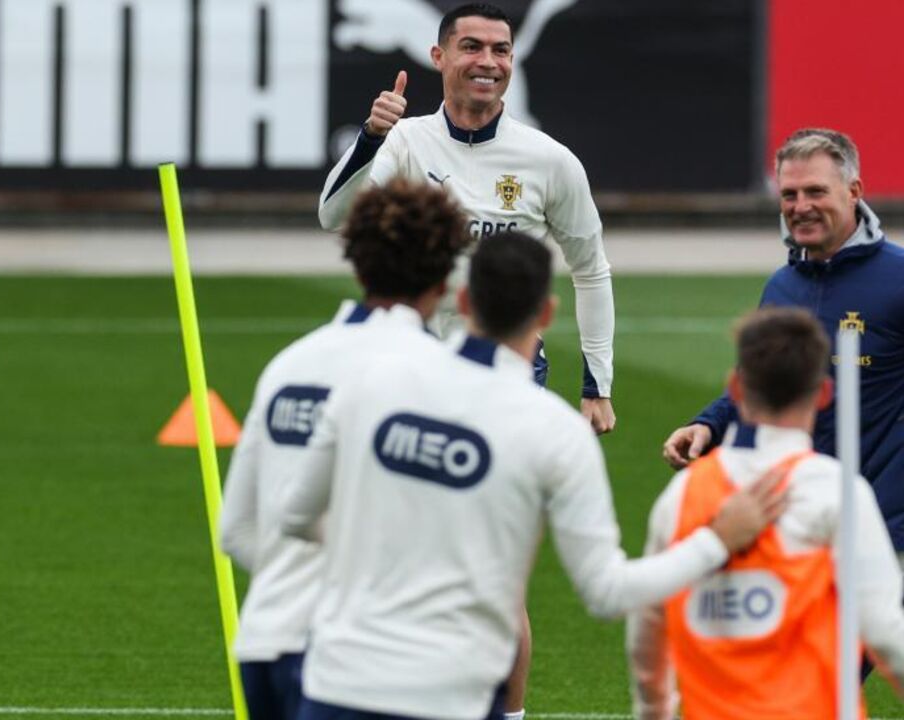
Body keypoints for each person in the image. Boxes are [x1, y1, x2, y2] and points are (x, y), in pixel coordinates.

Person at [279, 232, 785, 720]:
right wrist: (717, 541)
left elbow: (297, 515)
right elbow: (607, 592)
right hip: (449, 690)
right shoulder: (554, 430)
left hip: (339, 676)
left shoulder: (375, 382)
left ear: (463, 300)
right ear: (546, 313)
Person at [219, 178, 470, 720]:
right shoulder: (437, 374)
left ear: (357, 267)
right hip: (367, 657)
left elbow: (235, 529)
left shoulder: (289, 364)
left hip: (267, 639)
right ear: (447, 278)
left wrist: (295, 579)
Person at [317, 1, 616, 436]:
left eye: (501, 50)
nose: (488, 62)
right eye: (472, 47)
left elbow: (590, 270)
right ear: (438, 56)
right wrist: (371, 137)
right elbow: (333, 216)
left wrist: (597, 386)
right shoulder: (402, 140)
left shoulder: (551, 160)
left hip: (511, 371)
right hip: (416, 366)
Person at [629, 307, 904, 719]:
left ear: (734, 388)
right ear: (824, 394)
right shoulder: (837, 491)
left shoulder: (683, 493)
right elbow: (885, 632)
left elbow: (648, 628)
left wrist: (654, 709)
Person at [662, 128, 904, 554]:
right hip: (803, 527)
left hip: (887, 533)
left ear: (854, 192)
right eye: (790, 194)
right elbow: (759, 384)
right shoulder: (782, 286)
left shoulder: (898, 278)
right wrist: (707, 425)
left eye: (815, 192)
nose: (801, 207)